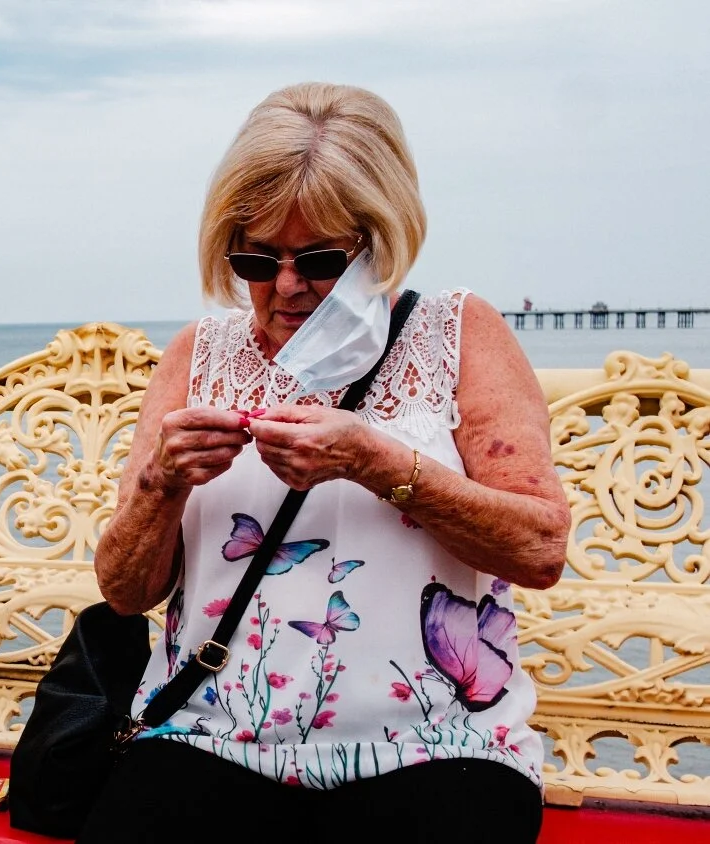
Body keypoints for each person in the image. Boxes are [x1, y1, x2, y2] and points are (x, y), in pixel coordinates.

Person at [85, 82, 569, 843]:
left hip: (436, 746)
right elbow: (123, 593)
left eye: (317, 260)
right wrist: (161, 482)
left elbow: (540, 550)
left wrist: (375, 459)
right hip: (211, 735)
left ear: (379, 241)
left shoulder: (456, 334)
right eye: (255, 258)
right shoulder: (199, 355)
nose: (284, 286)